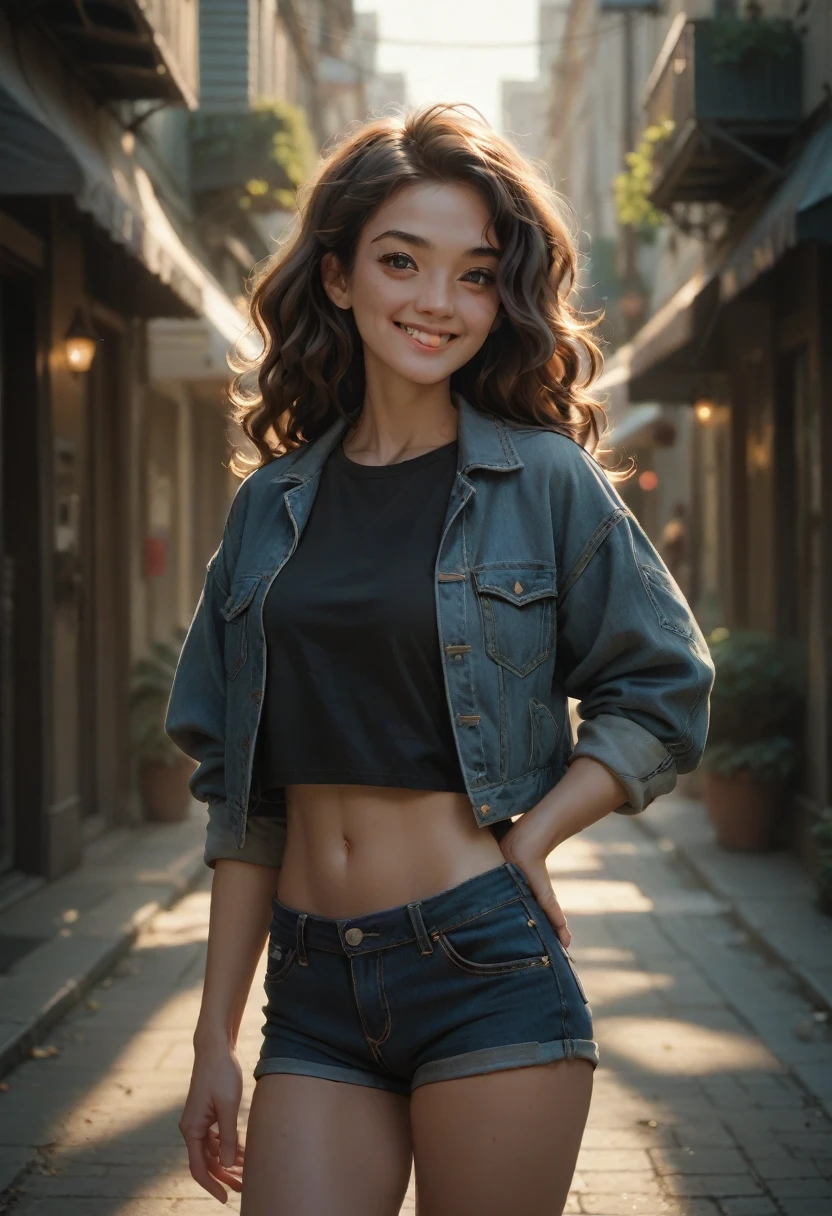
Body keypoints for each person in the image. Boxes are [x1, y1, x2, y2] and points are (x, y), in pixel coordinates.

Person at [165, 104, 714, 1216]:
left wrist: (537, 835)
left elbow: (664, 687)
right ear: (336, 276)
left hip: (482, 962)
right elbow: (241, 796)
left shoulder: (546, 481)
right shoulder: (268, 509)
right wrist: (212, 1037)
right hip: (313, 983)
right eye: (402, 261)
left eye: (474, 276)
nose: (437, 302)